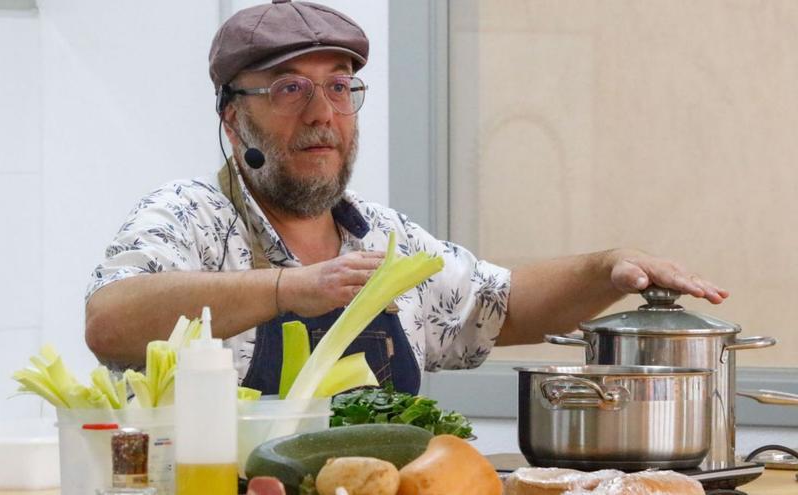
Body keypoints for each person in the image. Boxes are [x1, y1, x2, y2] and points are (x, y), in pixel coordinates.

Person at [84, 0, 727, 394]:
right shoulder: (190, 214)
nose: (322, 114)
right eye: (288, 89)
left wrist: (607, 267)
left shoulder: (383, 237)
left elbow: (499, 307)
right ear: (232, 119)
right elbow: (110, 321)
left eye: (339, 88)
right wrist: (290, 290)